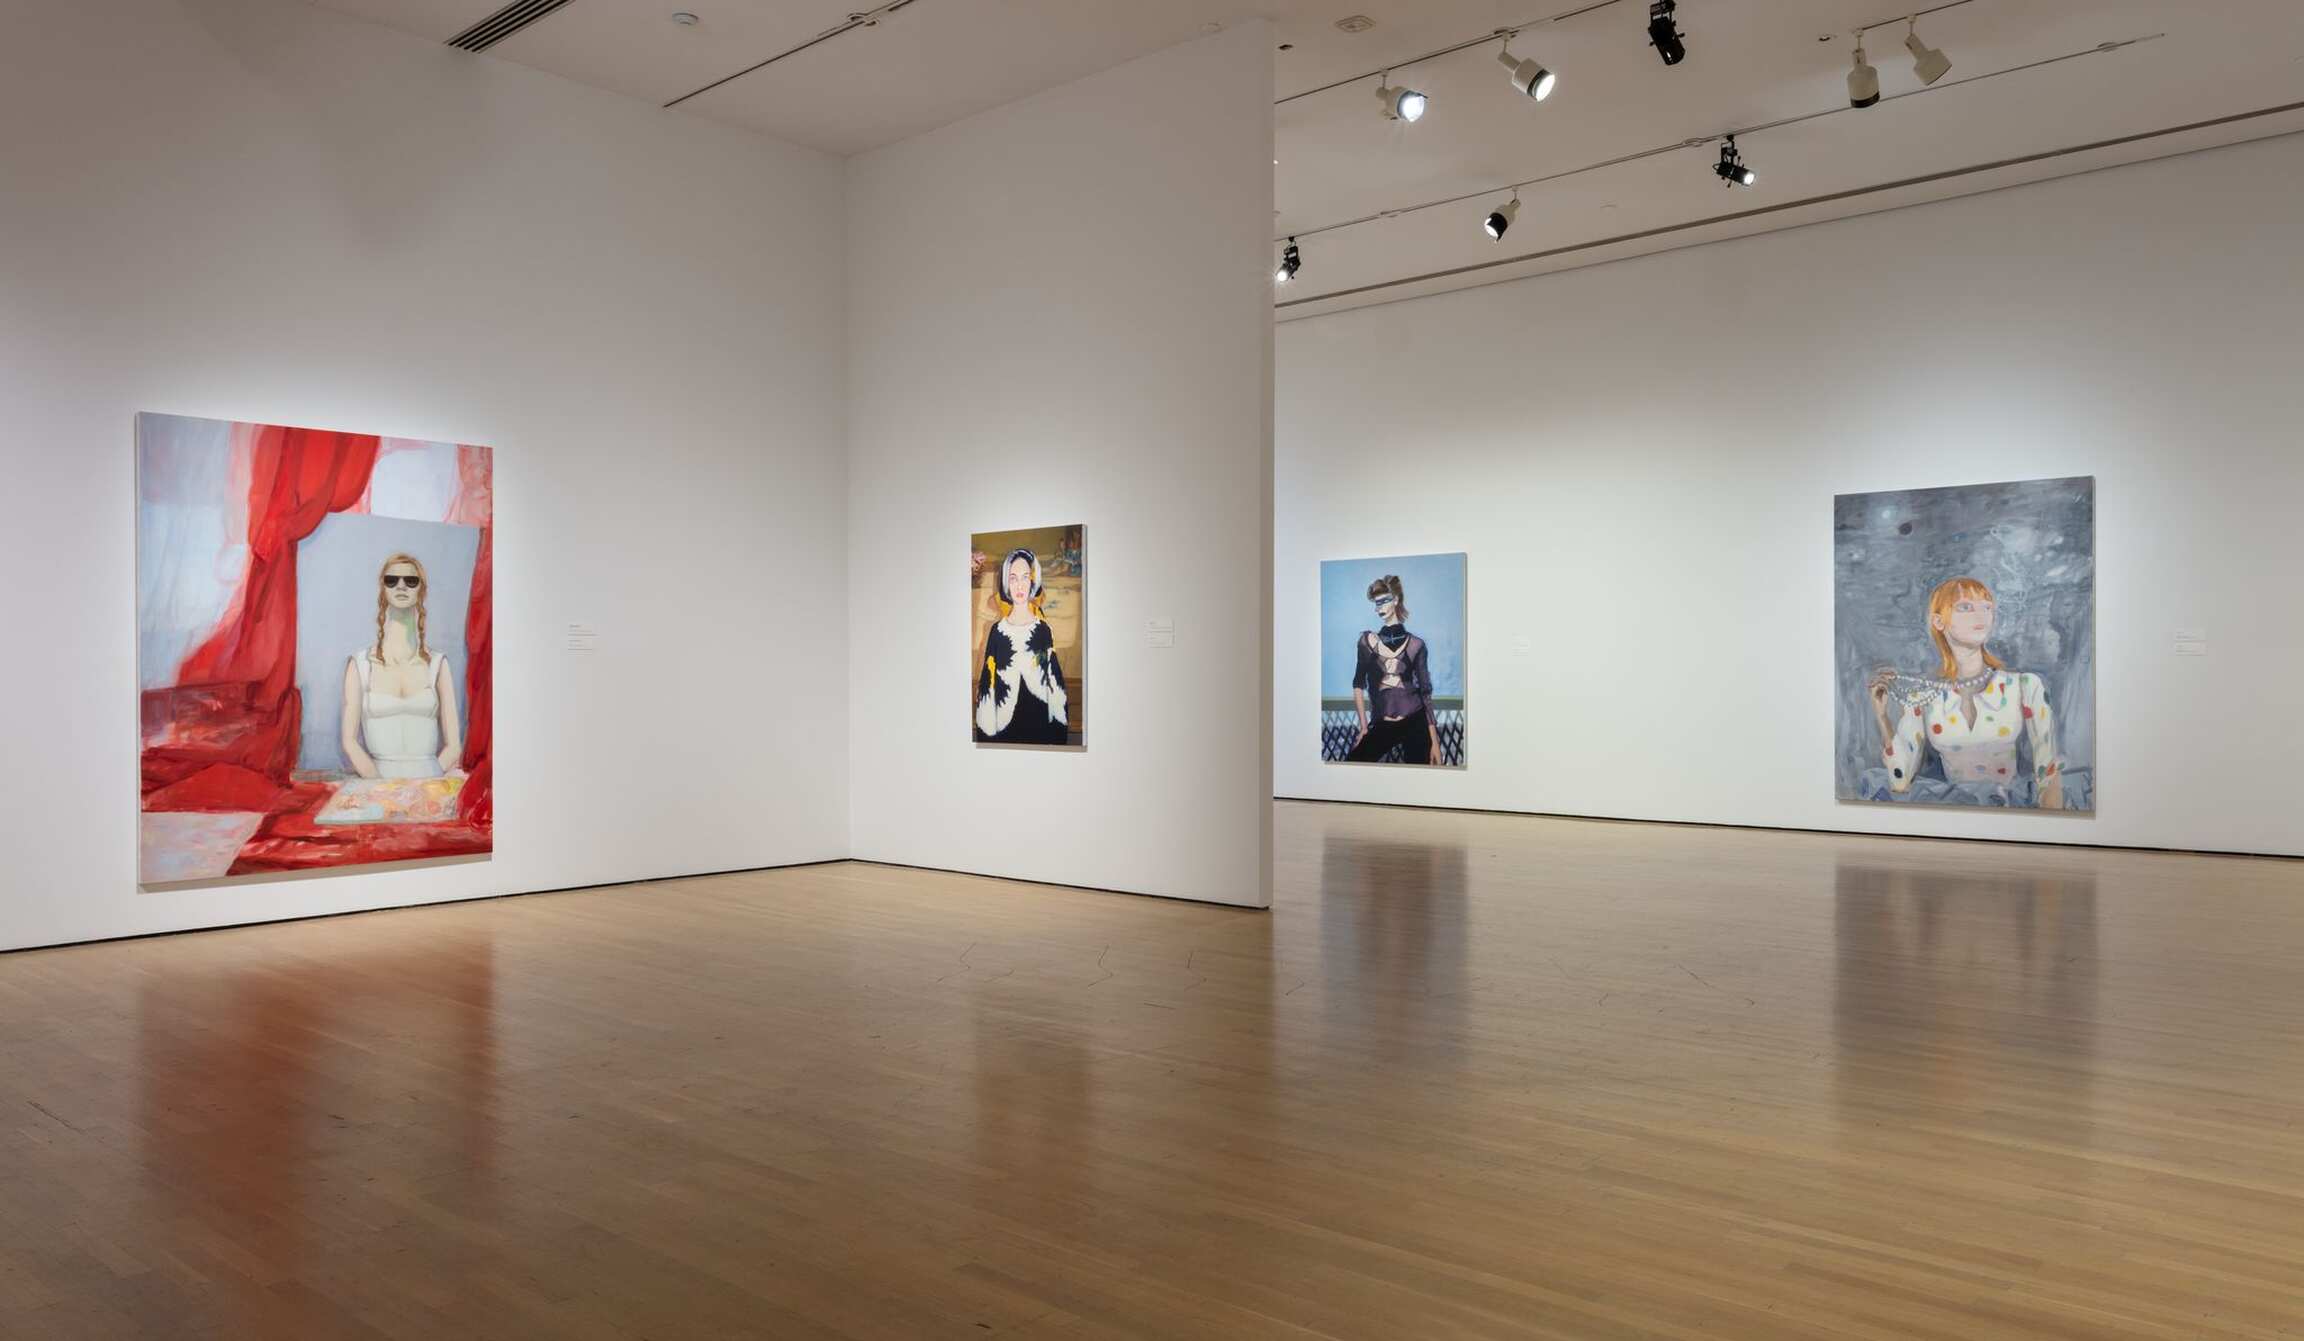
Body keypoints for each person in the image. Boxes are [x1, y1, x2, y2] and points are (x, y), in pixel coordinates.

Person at [1867, 575, 2064, 808]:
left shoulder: (2025, 686)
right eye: (1965, 607)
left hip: (2010, 811)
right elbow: (1900, 780)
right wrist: (1882, 717)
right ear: (1938, 622)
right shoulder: (1924, 696)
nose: (1981, 615)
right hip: (1952, 813)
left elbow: (2048, 772)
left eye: (1986, 607)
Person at [341, 553, 464, 780]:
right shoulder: (359, 665)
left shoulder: (438, 664)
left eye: (411, 580)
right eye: (392, 580)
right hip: (375, 785)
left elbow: (454, 746)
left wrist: (428, 781)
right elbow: (349, 742)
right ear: (383, 590)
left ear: (421, 591)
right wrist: (379, 786)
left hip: (430, 783)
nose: (401, 586)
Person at [974, 548, 1071, 744]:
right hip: (1004, 734)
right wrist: (986, 739)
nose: (1019, 585)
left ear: (1033, 581)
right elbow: (987, 687)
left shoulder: (1043, 631)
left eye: (1025, 577)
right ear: (1006, 583)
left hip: (1039, 730)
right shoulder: (997, 632)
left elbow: (1053, 683)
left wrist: (1057, 737)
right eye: (1013, 578)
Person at [1347, 574, 1441, 765]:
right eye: (1376, 603)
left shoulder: (1416, 645)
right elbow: (1358, 684)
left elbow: (1425, 694)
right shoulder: (1366, 642)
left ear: (1396, 600)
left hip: (1415, 722)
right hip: (1382, 723)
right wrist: (1363, 727)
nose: (1379, 608)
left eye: (1384, 601)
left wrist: (1435, 742)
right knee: (1354, 762)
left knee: (1419, 776)